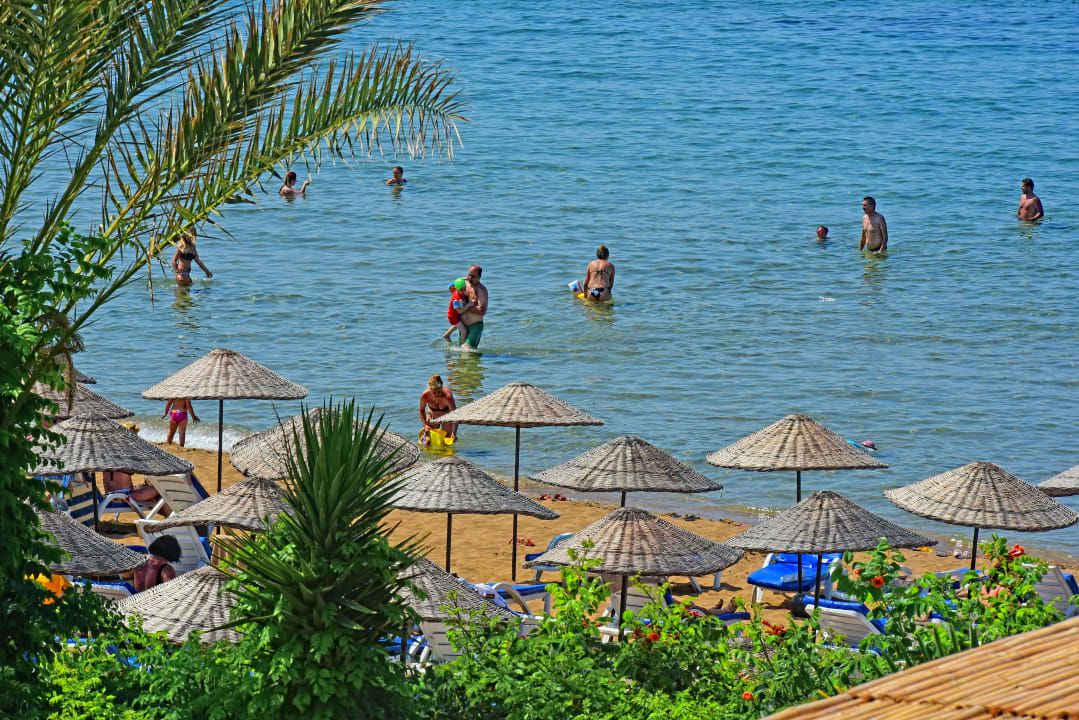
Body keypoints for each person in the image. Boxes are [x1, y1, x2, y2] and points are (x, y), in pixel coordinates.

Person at [102, 422, 170, 515]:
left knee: (146, 487)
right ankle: (169, 520)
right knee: (164, 487)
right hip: (125, 496)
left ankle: (166, 517)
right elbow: (149, 467)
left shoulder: (108, 453)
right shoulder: (127, 454)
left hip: (111, 495)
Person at [419, 374, 457, 443]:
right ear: (430, 390)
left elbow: (455, 415)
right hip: (432, 417)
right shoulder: (425, 396)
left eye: (439, 392)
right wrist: (425, 425)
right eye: (434, 392)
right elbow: (421, 410)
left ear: (442, 388)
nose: (437, 395)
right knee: (427, 441)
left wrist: (454, 433)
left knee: (446, 441)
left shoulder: (448, 397)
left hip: (446, 418)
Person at [459, 265, 488, 349]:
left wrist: (467, 307)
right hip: (463, 326)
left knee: (466, 350)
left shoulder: (481, 290)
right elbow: (452, 288)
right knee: (461, 353)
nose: (470, 278)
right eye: (469, 275)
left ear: (479, 277)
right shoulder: (464, 285)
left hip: (475, 327)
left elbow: (482, 311)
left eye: (473, 276)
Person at [442, 278, 474, 343]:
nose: (463, 291)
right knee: (464, 330)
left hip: (456, 315)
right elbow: (460, 311)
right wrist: (469, 305)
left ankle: (447, 335)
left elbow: (454, 283)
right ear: (456, 289)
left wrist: (466, 278)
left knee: (458, 325)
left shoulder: (456, 289)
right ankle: (462, 346)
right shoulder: (456, 299)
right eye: (461, 289)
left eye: (464, 288)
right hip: (453, 316)